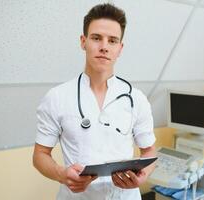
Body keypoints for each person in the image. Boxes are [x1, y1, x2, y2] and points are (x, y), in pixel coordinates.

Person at [33, 3, 156, 200]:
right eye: (96, 38)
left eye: (112, 41)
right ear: (83, 42)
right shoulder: (57, 97)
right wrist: (61, 174)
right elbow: (40, 155)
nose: (104, 47)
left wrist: (143, 177)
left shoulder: (137, 98)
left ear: (120, 48)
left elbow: (149, 151)